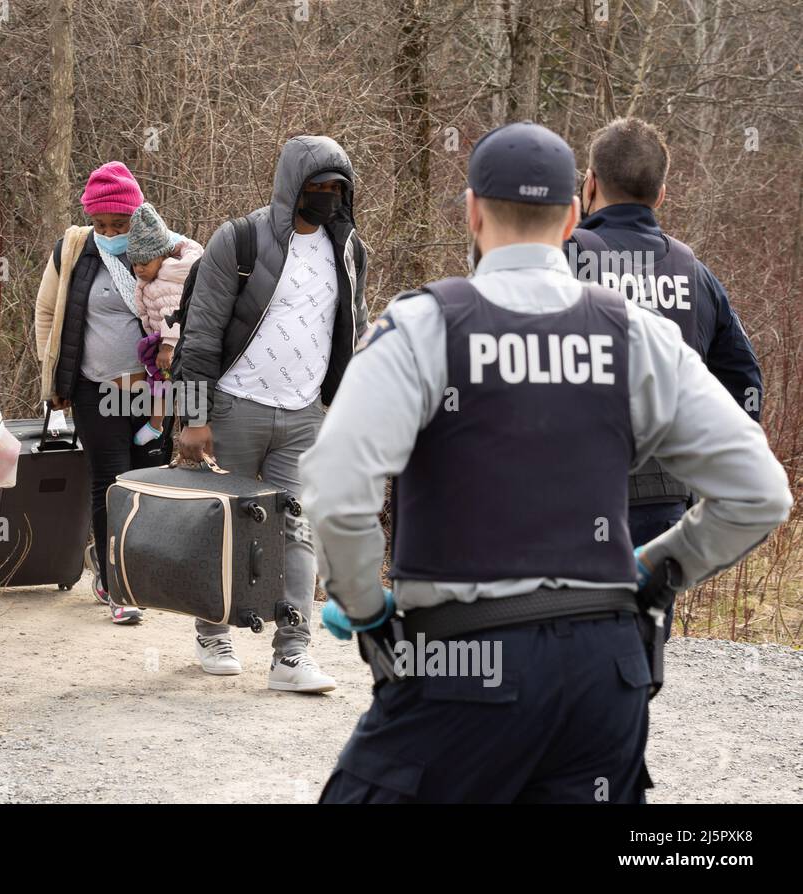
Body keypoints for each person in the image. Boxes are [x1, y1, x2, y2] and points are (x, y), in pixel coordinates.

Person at [303, 122, 791, 803]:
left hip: (456, 664)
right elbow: (761, 492)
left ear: (472, 209)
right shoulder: (633, 334)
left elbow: (335, 488)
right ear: (571, 215)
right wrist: (652, 573)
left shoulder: (422, 326)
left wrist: (366, 613)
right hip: (604, 678)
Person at [176, 135, 368, 692]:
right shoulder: (239, 240)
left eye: (338, 189)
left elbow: (349, 331)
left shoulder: (350, 250)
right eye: (318, 188)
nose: (329, 198)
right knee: (224, 527)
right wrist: (193, 417)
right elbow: (201, 334)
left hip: (304, 415)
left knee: (298, 531)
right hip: (235, 408)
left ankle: (292, 654)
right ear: (293, 188)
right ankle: (213, 631)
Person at [568, 117, 763, 556]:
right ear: (660, 195)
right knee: (644, 624)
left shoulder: (560, 257)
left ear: (590, 182)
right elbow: (744, 380)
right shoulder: (694, 274)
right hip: (662, 499)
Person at [34, 162, 169, 625]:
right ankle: (116, 583)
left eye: (120, 224)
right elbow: (48, 314)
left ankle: (142, 571)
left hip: (152, 393)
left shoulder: (160, 251)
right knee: (112, 483)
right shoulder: (72, 251)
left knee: (149, 482)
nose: (110, 232)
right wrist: (55, 381)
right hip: (96, 387)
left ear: (138, 215)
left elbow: (181, 314)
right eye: (101, 224)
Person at [127, 202, 203, 444]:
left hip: (174, 345)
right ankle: (160, 425)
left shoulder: (167, 278)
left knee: (168, 383)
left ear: (162, 256)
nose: (139, 268)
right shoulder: (155, 277)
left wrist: (167, 346)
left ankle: (162, 426)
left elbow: (174, 313)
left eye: (145, 263)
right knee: (162, 383)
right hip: (163, 341)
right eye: (135, 263)